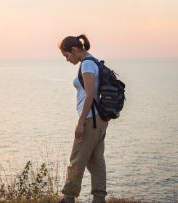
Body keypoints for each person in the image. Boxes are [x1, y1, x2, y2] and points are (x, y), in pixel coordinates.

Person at [59, 34, 109, 203]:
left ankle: (68, 198)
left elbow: (89, 96)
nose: (66, 60)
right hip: (99, 119)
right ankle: (99, 199)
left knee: (77, 159)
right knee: (96, 161)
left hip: (90, 119)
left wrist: (80, 123)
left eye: (66, 55)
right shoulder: (94, 60)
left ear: (73, 50)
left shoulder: (87, 65)